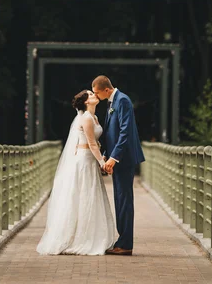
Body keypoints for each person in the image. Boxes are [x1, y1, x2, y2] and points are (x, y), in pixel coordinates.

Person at [36, 89, 117, 255]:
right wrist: (103, 163)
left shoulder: (94, 117)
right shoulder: (86, 118)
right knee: (83, 195)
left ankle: (90, 234)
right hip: (84, 160)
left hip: (90, 159)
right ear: (86, 101)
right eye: (91, 94)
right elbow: (92, 144)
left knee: (90, 195)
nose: (95, 95)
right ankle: (78, 238)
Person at [92, 75, 145, 256]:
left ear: (106, 89)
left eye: (97, 93)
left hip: (124, 158)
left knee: (124, 200)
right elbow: (110, 132)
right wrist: (106, 154)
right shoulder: (112, 102)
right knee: (120, 199)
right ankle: (122, 241)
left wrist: (114, 158)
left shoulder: (123, 101)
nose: (96, 97)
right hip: (117, 157)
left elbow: (125, 132)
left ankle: (125, 244)